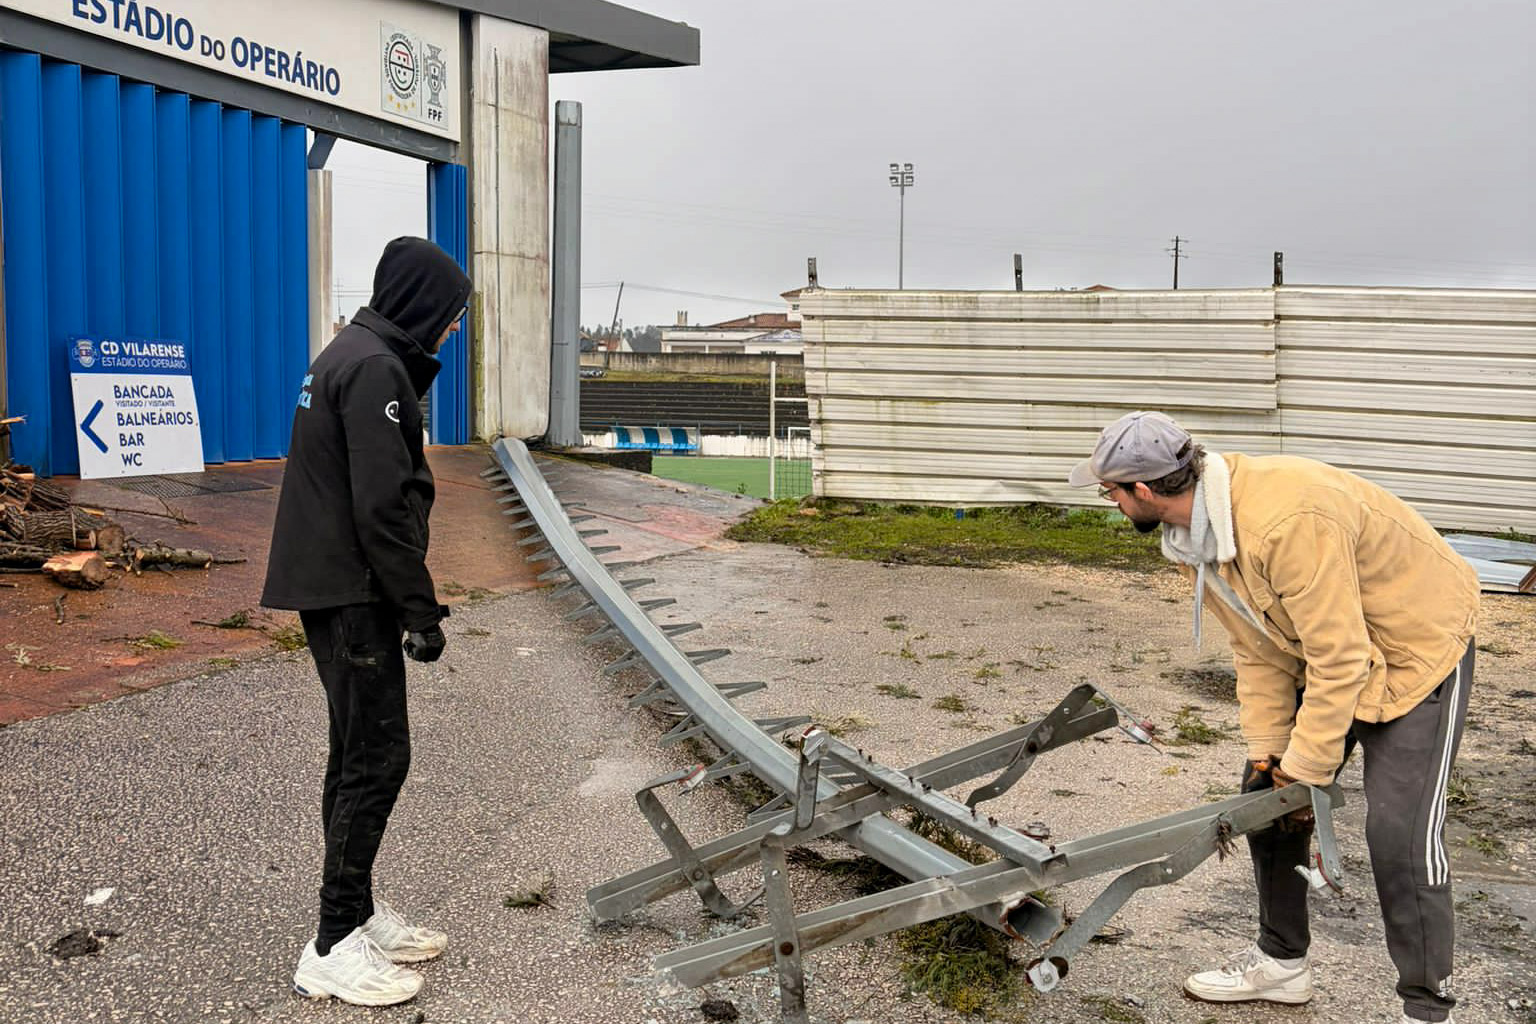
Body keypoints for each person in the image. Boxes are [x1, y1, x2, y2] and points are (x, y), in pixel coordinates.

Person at [1067, 411, 1478, 1024]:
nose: (1112, 503)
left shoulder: (1285, 522)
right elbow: (1258, 647)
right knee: (1265, 802)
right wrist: (1270, 755)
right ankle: (1283, 964)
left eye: (1112, 492)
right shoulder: (1196, 537)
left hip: (1415, 649)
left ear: (1144, 492)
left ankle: (1425, 1008)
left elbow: (1341, 660)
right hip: (1333, 642)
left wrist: (1306, 768)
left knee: (1399, 836)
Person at [262, 236, 472, 1006]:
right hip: (353, 591)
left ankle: (356, 911)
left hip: (333, 584)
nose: (451, 330)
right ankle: (331, 945)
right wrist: (420, 610)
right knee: (377, 760)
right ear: (421, 303)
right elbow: (381, 508)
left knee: (353, 754)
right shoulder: (378, 369)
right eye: (449, 315)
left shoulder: (346, 353)